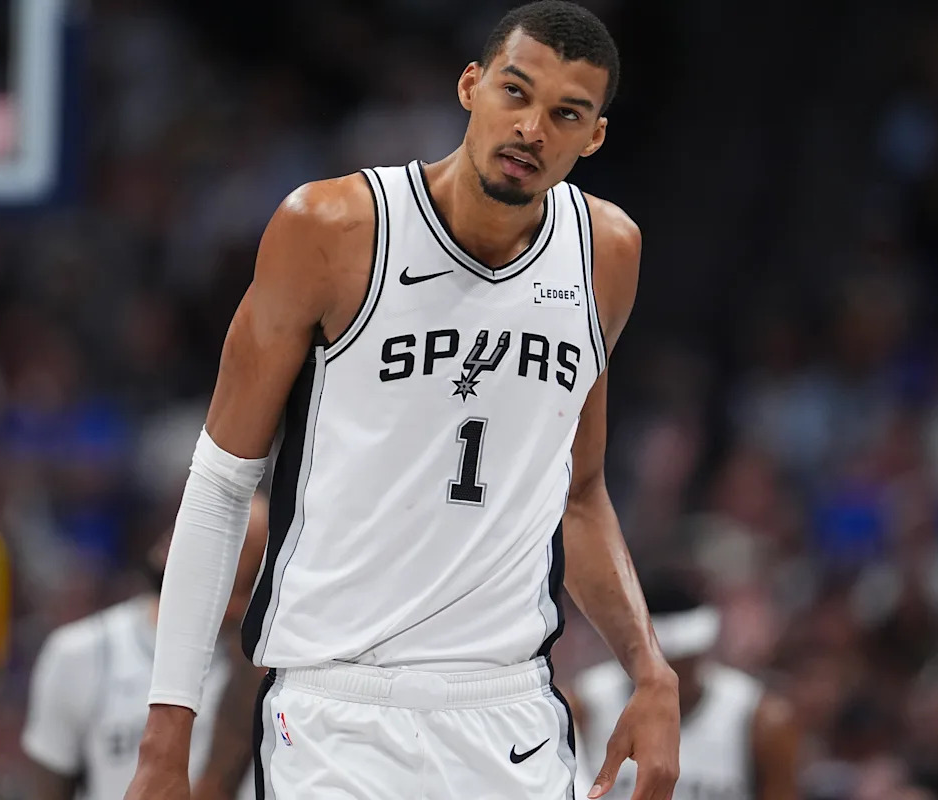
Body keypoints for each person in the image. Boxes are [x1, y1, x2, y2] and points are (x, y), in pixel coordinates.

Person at [126, 2, 681, 798]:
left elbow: (580, 495)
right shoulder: (331, 229)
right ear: (470, 86)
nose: (531, 129)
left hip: (510, 713)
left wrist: (650, 670)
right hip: (338, 709)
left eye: (566, 114)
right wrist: (164, 739)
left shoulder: (606, 252)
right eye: (515, 93)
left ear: (593, 136)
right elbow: (220, 485)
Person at [22, 495, 268, 800]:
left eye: (228, 535)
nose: (192, 531)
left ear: (244, 596)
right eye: (198, 515)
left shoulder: (266, 677)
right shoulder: (81, 653)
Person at [573, 569, 800, 799]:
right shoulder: (582, 709)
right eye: (653, 664)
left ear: (701, 652)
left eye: (680, 664)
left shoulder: (759, 720)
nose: (665, 678)